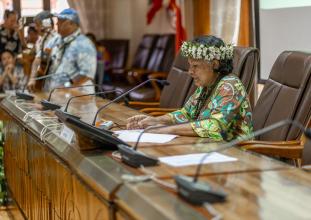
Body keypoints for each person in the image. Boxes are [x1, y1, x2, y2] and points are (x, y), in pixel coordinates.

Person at [126, 35, 253, 141]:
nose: (190, 72)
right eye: (190, 66)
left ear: (214, 64)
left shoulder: (229, 86)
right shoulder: (207, 84)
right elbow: (186, 114)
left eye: (195, 66)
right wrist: (154, 121)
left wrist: (163, 130)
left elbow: (215, 126)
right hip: (207, 147)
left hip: (236, 154)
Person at [32, 8, 97, 91]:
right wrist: (33, 78)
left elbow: (86, 74)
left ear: (71, 23)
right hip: (56, 95)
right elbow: (40, 57)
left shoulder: (84, 44)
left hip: (77, 97)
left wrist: (66, 86)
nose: (57, 23)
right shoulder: (55, 40)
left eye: (61, 21)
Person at [27, 10, 59, 91]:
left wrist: (33, 78)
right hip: (46, 81)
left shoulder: (55, 39)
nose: (36, 28)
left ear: (47, 24)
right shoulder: (40, 40)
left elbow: (39, 59)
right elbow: (36, 60)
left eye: (38, 25)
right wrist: (32, 78)